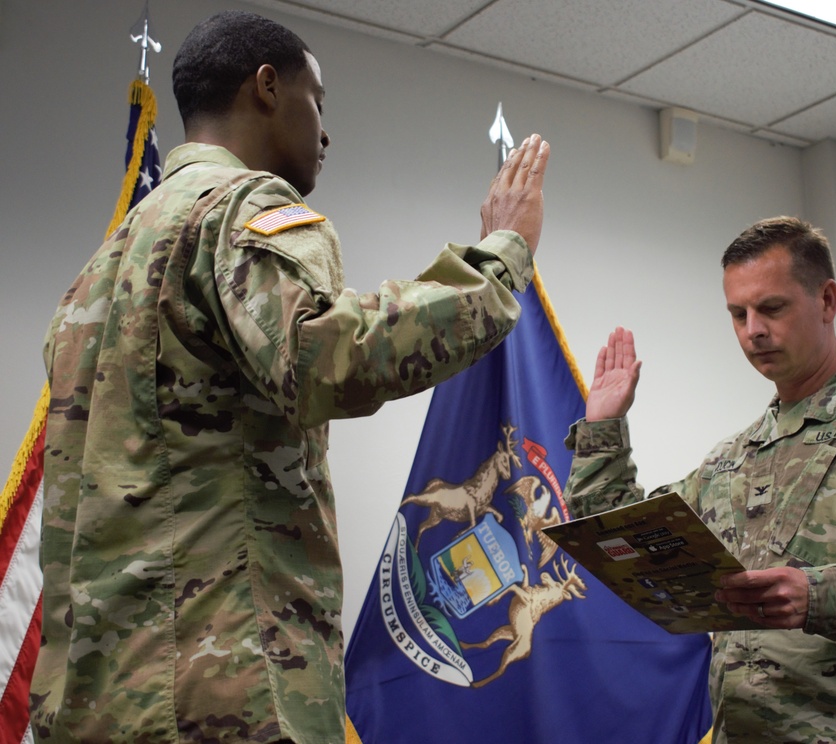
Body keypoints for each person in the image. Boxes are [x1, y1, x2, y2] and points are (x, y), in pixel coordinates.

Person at [31, 10, 549, 744]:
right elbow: (324, 356)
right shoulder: (241, 207)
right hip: (222, 692)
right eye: (319, 100)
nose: (326, 131)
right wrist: (501, 262)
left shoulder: (99, 271)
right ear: (267, 87)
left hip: (99, 695)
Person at [563, 216, 836, 742]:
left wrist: (821, 597)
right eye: (738, 314)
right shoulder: (730, 459)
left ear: (827, 301)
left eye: (771, 308)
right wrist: (604, 426)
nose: (753, 330)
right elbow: (614, 534)